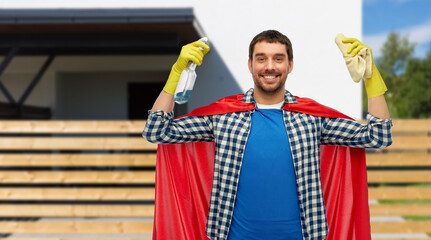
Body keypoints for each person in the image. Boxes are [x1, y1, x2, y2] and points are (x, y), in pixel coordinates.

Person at [143, 30, 392, 240]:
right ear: (250, 65)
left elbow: (377, 137)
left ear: (290, 65)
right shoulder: (223, 117)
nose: (270, 66)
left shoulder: (312, 118)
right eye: (261, 59)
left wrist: (371, 77)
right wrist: (175, 76)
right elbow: (157, 131)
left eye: (278, 59)